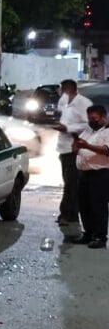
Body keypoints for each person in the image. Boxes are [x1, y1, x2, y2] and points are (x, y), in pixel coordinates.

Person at [51, 79, 92, 226]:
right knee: (68, 181)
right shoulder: (64, 102)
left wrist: (68, 128)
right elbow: (61, 117)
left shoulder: (83, 103)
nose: (60, 92)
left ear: (68, 89)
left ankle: (69, 214)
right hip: (63, 147)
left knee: (71, 183)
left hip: (74, 147)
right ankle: (68, 212)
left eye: (62, 89)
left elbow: (87, 125)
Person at [71, 105, 109, 248]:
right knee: (84, 206)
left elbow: (106, 150)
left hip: (100, 174)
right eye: (90, 118)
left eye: (95, 119)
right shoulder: (89, 130)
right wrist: (76, 146)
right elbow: (78, 145)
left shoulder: (107, 132)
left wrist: (87, 146)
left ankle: (100, 237)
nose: (92, 121)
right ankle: (88, 233)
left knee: (98, 207)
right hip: (84, 174)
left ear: (103, 117)